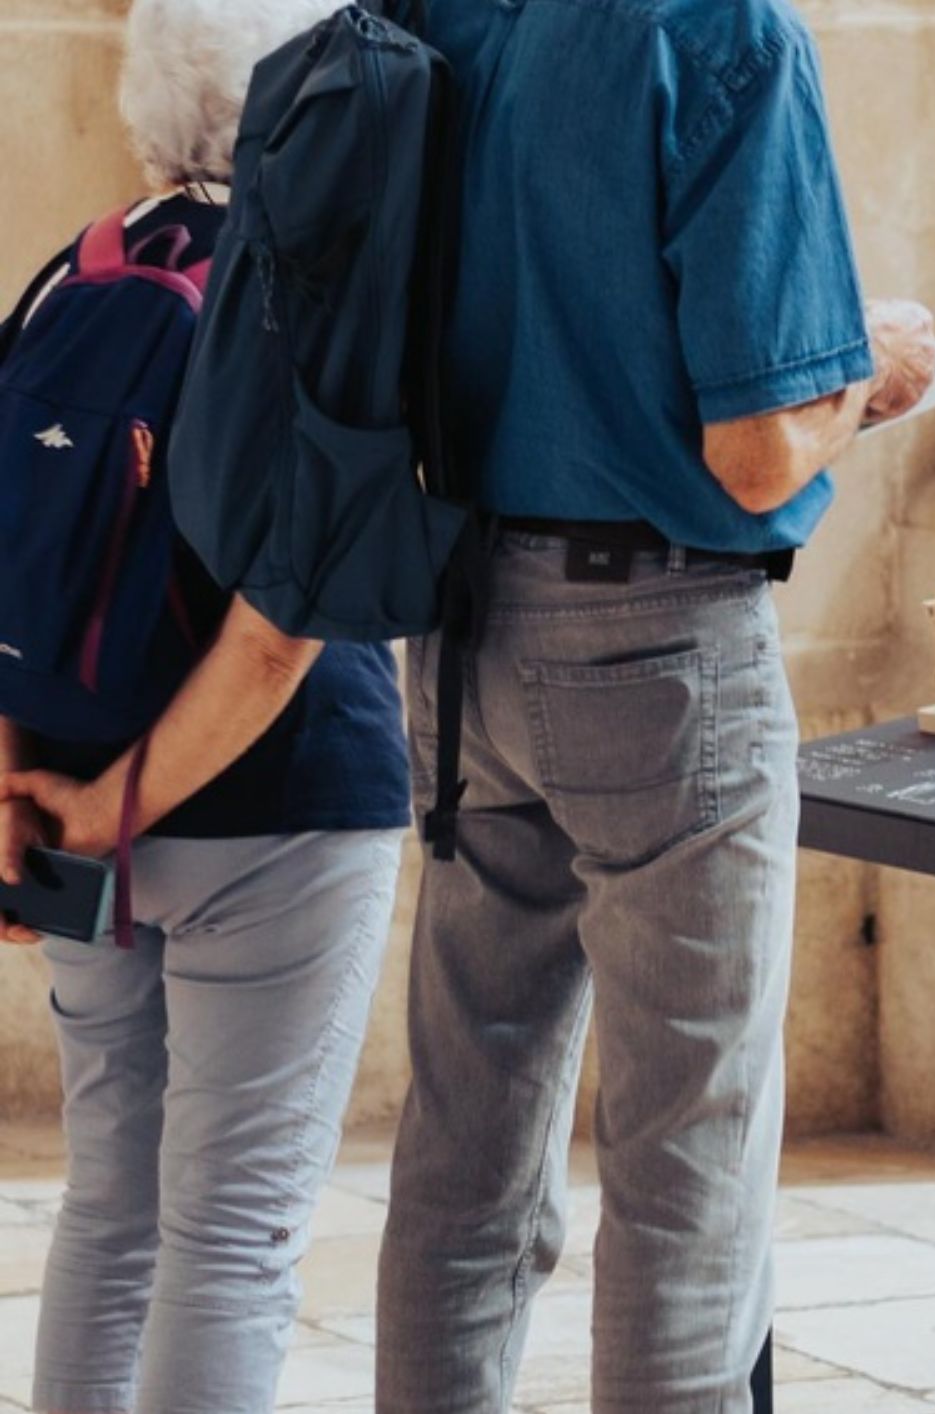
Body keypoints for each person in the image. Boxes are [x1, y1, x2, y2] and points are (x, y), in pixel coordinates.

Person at [373, 0, 935, 1410]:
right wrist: (872, 368)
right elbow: (757, 452)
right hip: (659, 651)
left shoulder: (444, 13)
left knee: (463, 1159)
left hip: (461, 639)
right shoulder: (726, 29)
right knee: (688, 1171)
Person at [0, 2, 411, 1411]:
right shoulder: (297, 295)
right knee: (233, 1230)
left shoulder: (79, 269)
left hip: (65, 792)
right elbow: (280, 634)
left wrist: (23, 785)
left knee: (109, 1209)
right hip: (275, 809)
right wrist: (123, 805)